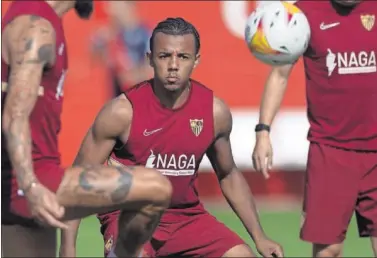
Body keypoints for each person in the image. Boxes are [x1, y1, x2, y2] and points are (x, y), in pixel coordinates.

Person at [60, 17, 284, 258]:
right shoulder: (122, 112)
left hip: (185, 218)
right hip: (128, 216)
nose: (174, 65)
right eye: (165, 56)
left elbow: (228, 174)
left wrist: (259, 236)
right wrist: (67, 247)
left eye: (183, 57)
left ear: (196, 61)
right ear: (150, 59)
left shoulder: (214, 112)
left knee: (242, 256)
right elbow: (79, 180)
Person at [1, 1, 172, 257]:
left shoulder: (38, 20)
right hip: (32, 181)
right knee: (156, 188)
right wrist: (32, 186)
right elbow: (14, 114)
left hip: (19, 185)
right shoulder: (36, 27)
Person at [252, 0, 377, 257]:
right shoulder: (304, 14)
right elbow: (279, 74)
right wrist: (263, 131)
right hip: (330, 152)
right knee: (328, 249)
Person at [91, 1, 152, 97]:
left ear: (129, 6)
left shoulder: (144, 35)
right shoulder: (112, 37)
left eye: (116, 5)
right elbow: (96, 59)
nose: (111, 10)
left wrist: (131, 74)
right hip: (117, 101)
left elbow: (149, 71)